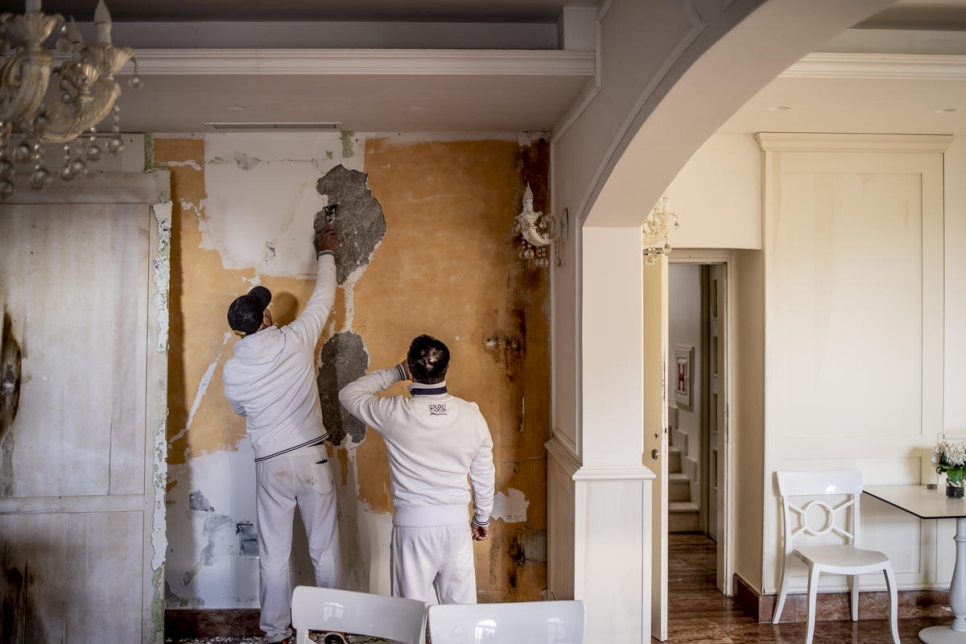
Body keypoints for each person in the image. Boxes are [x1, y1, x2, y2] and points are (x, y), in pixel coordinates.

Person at [223, 224, 342, 644]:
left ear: (240, 331)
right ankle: (329, 629)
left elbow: (240, 409)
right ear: (266, 318)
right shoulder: (296, 339)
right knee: (323, 550)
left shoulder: (233, 371)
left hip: (270, 464)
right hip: (311, 458)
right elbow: (324, 299)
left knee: (273, 555)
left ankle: (276, 634)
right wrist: (325, 252)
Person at [338, 334, 495, 604]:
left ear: (411, 369)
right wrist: (482, 518)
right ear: (448, 368)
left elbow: (348, 394)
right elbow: (484, 472)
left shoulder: (393, 412)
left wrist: (397, 371)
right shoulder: (472, 414)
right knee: (459, 621)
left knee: (409, 619)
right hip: (456, 527)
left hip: (413, 528)